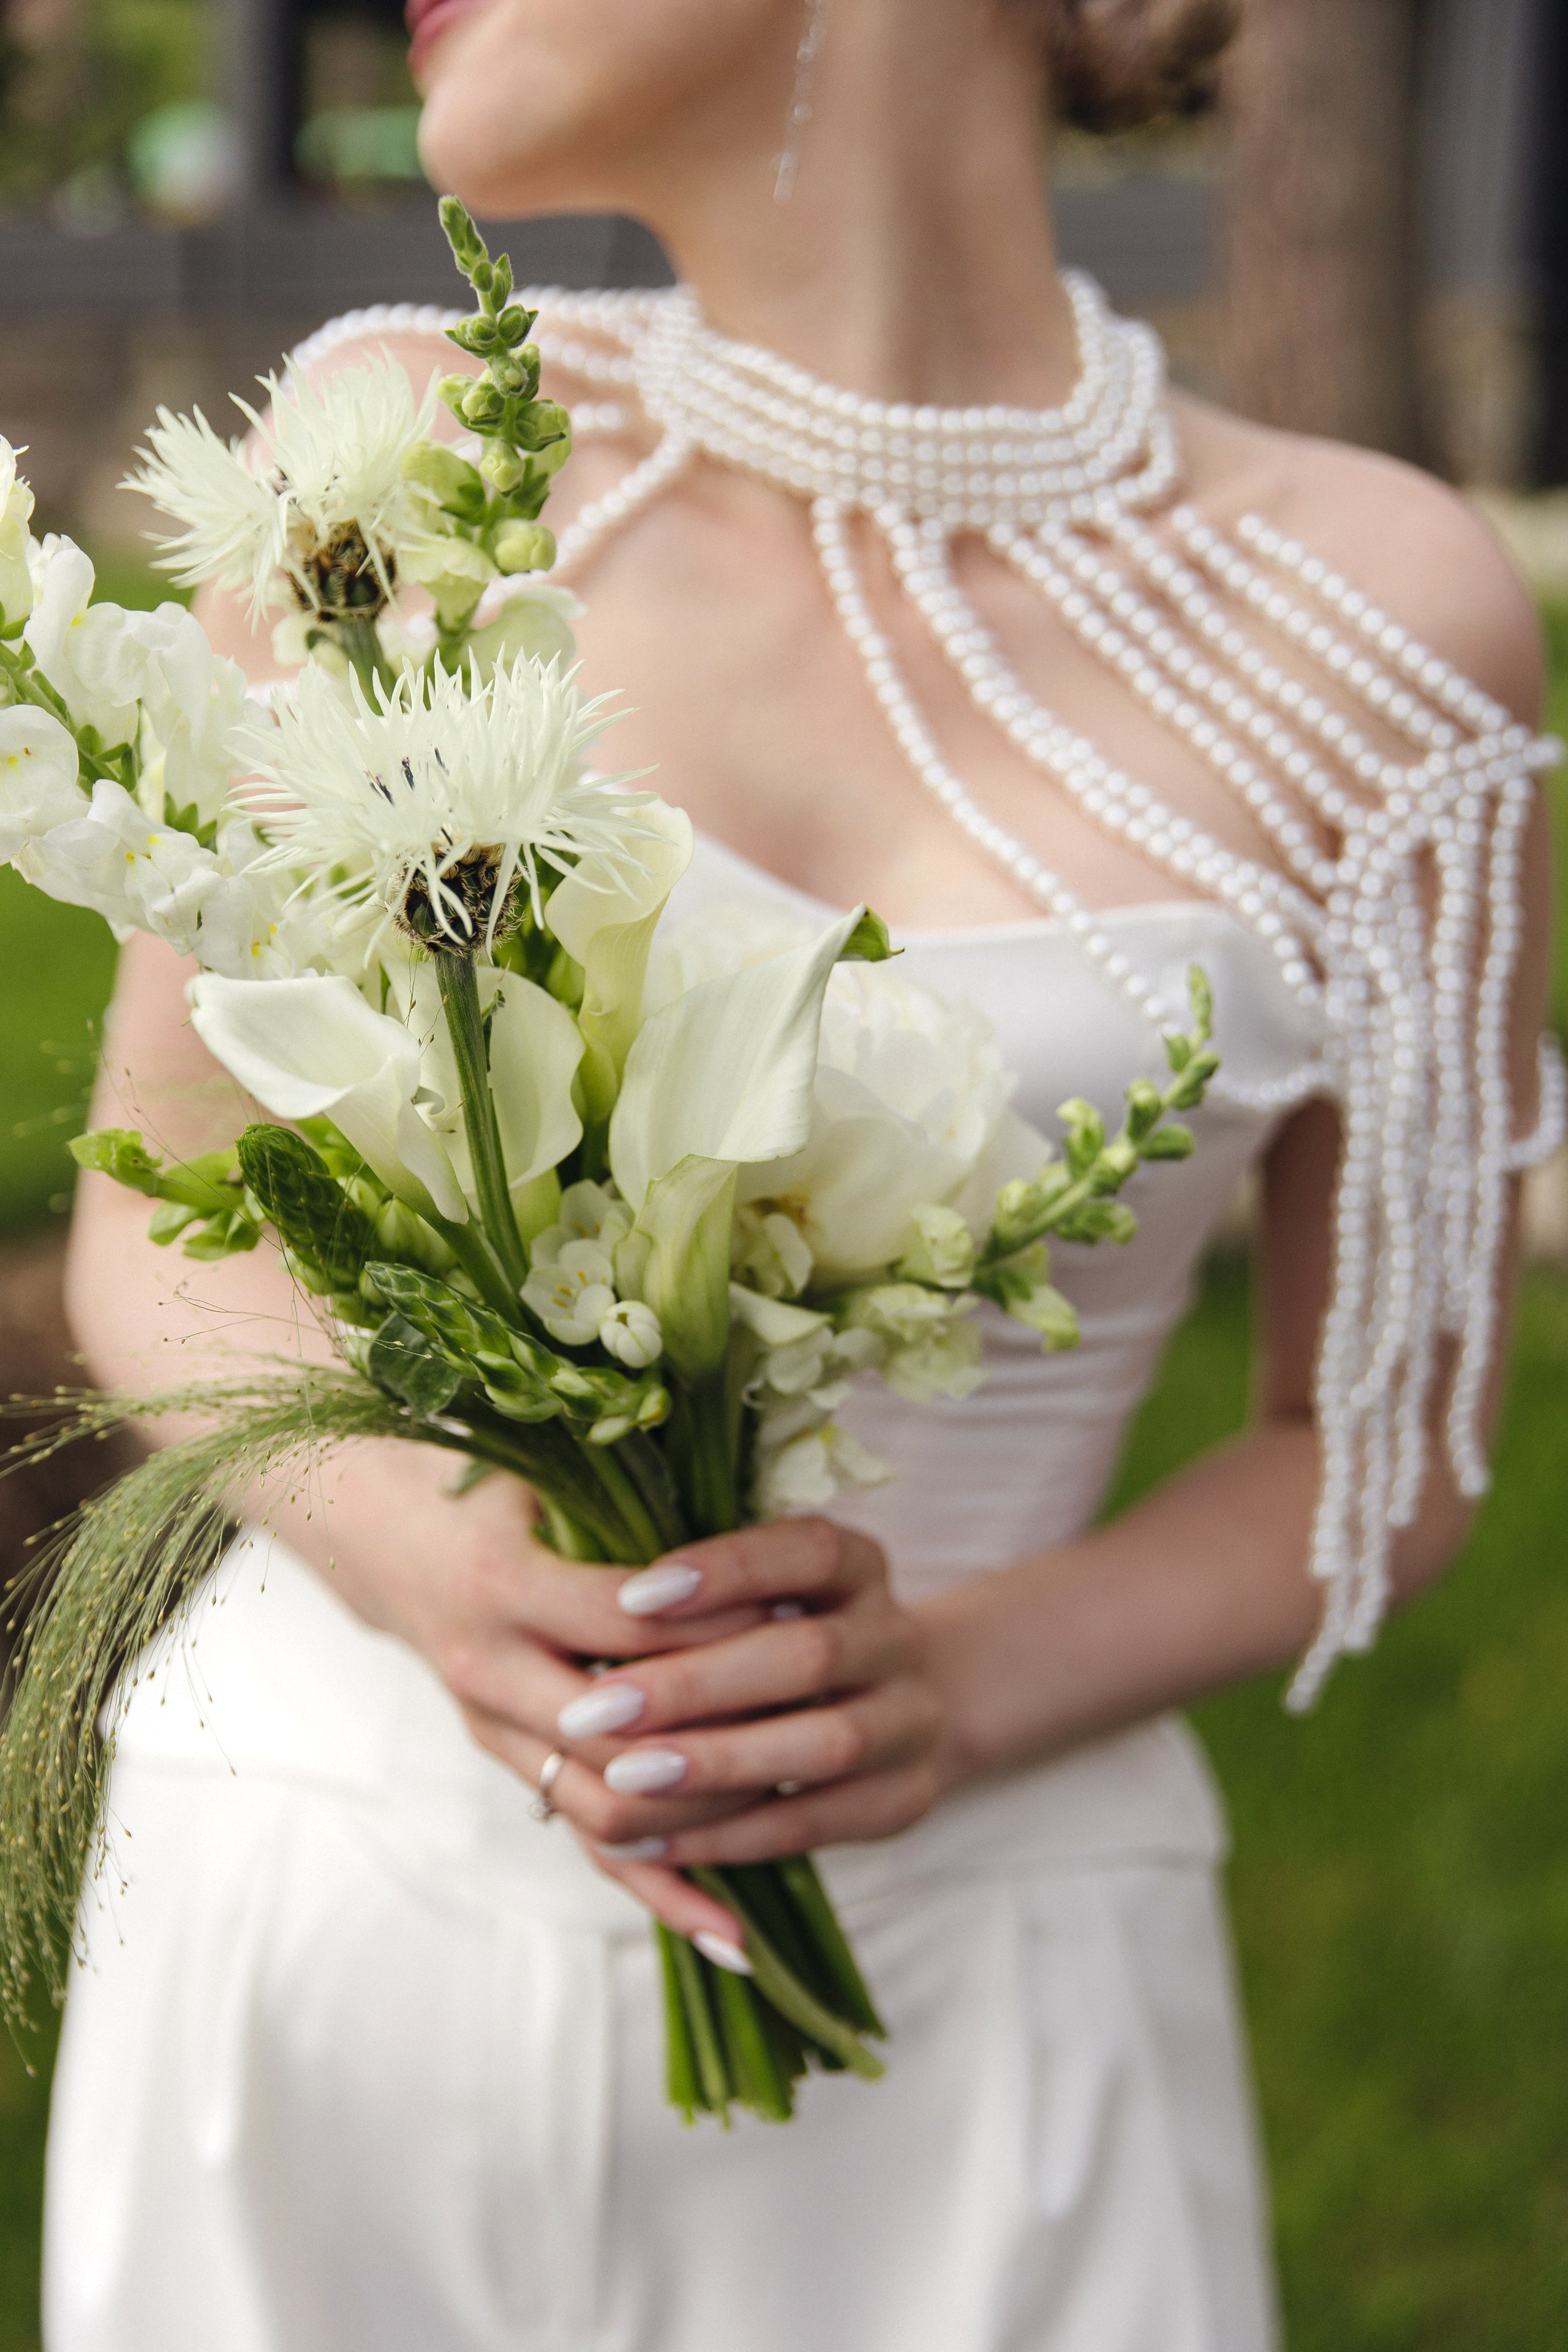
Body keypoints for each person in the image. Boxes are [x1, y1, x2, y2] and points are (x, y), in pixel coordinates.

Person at [45, 1, 1555, 2346]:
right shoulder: (388, 483)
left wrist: (948, 1689)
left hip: (982, 1978)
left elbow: (1383, 1436)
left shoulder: (1380, 625)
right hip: (330, 1917)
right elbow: (161, 1206)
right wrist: (440, 1575)